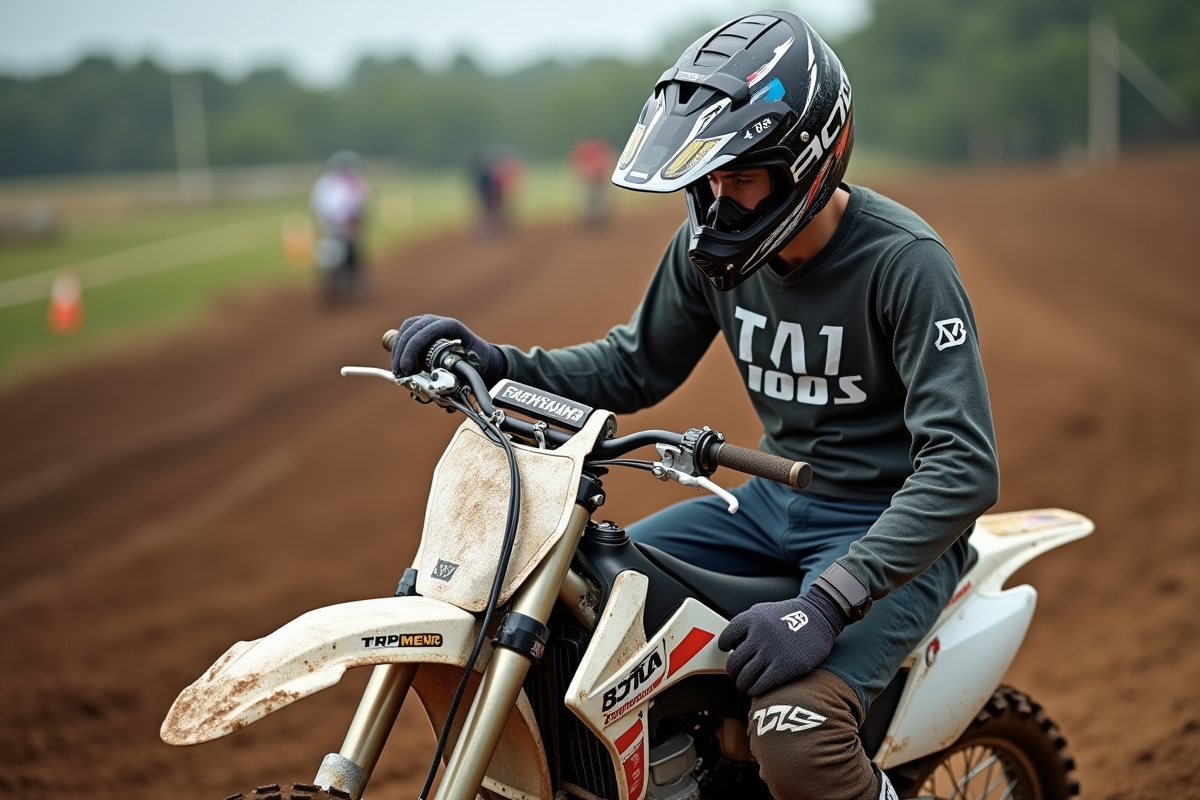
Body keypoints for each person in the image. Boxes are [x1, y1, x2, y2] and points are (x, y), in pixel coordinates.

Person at [390, 11, 997, 800]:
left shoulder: (905, 265)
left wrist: (827, 603)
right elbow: (635, 363)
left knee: (801, 740)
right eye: (709, 176)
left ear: (805, 163)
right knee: (588, 604)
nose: (718, 200)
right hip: (769, 509)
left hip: (886, 527)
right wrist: (497, 364)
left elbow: (963, 466)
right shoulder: (712, 251)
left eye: (740, 176)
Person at [310, 150, 369, 300]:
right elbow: (319, 205)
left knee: (352, 255)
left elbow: (360, 205)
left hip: (347, 229)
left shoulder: (356, 182)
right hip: (330, 228)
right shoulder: (326, 184)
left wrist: (355, 223)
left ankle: (354, 284)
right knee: (327, 258)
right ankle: (331, 287)